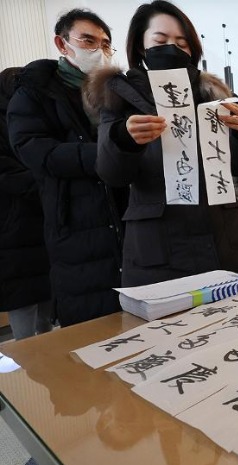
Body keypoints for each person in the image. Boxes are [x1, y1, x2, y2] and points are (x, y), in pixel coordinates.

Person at [86, 0, 238, 287]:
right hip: (159, 247)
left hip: (224, 239)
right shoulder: (119, 96)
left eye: (182, 43)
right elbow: (111, 173)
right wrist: (124, 140)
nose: (172, 48)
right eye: (160, 40)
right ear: (141, 46)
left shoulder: (215, 95)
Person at [7, 9, 125, 327]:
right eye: (87, 40)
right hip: (73, 222)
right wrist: (106, 153)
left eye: (105, 43)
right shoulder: (34, 94)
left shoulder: (116, 92)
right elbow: (38, 153)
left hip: (124, 218)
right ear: (62, 44)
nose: (98, 50)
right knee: (91, 326)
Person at [0, 67, 53, 340]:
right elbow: (7, 173)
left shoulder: (38, 110)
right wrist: (47, 182)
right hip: (14, 221)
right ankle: (25, 358)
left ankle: (46, 350)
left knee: (46, 292)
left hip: (43, 215)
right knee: (22, 297)